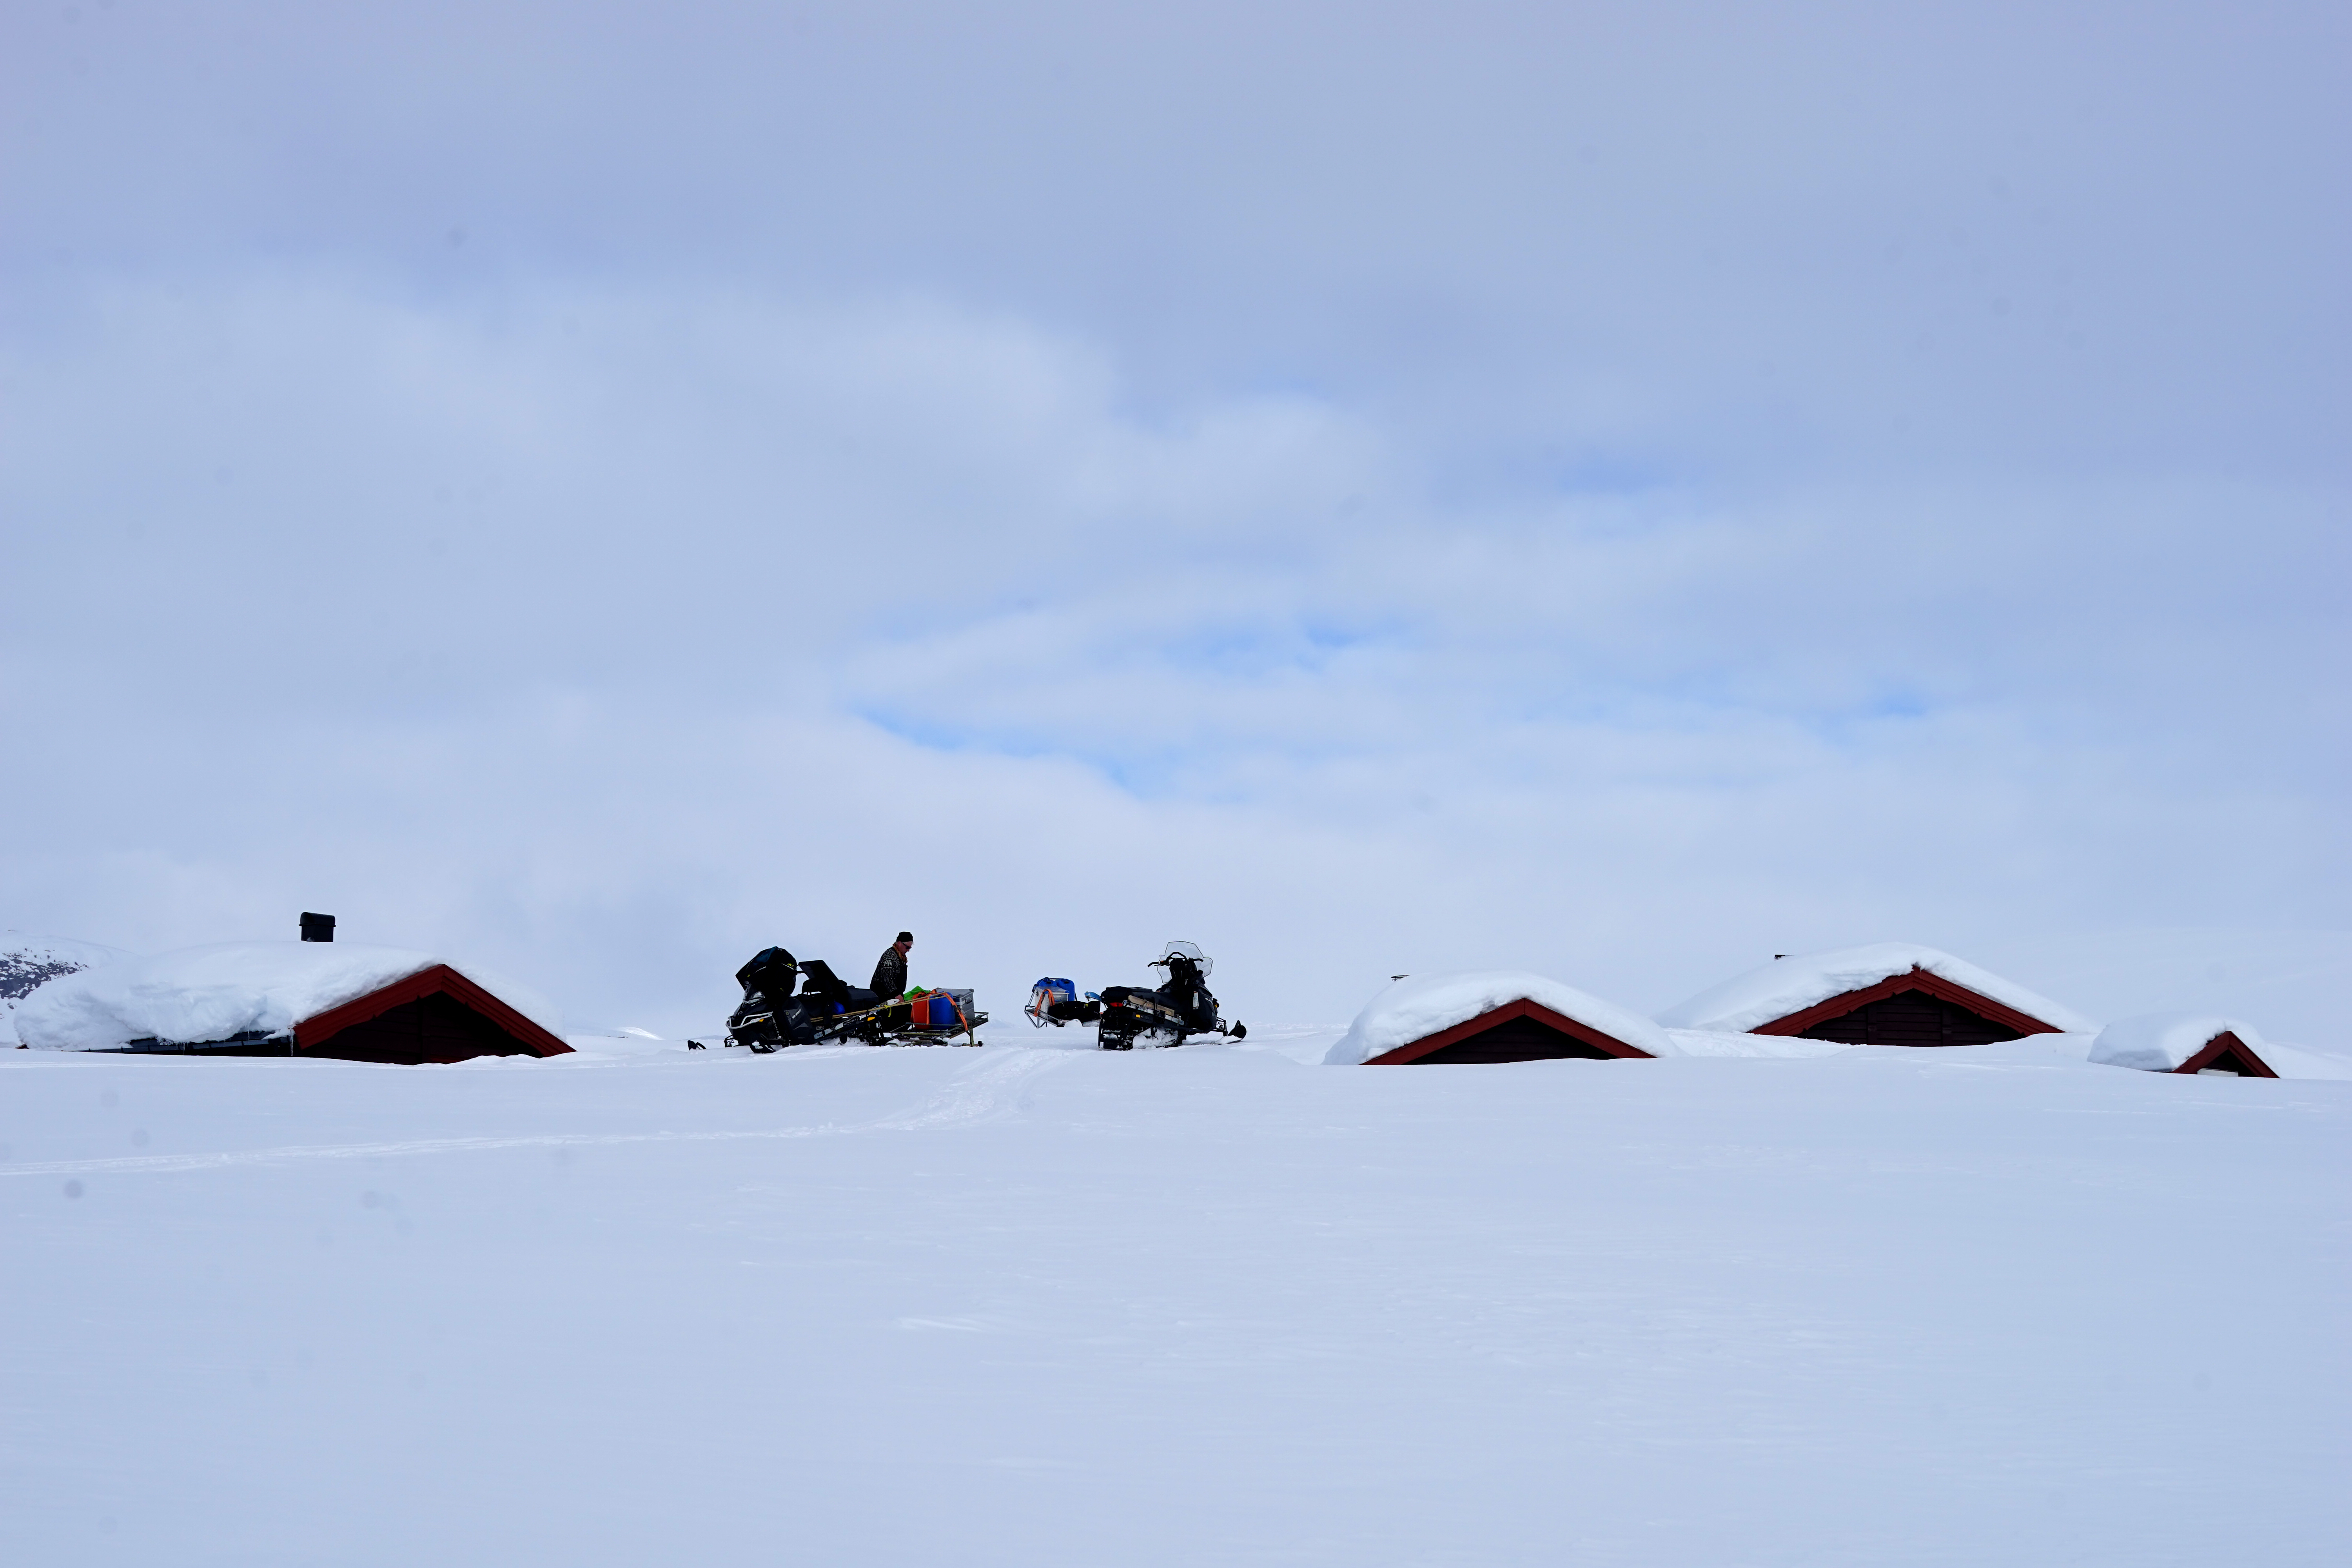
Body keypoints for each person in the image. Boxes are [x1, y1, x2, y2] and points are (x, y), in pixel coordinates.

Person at [871, 931, 912, 998]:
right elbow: (886, 977)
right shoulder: (890, 956)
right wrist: (896, 994)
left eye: (910, 948)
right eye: (907, 947)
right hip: (883, 995)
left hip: (895, 995)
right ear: (899, 943)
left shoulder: (901, 957)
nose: (908, 950)